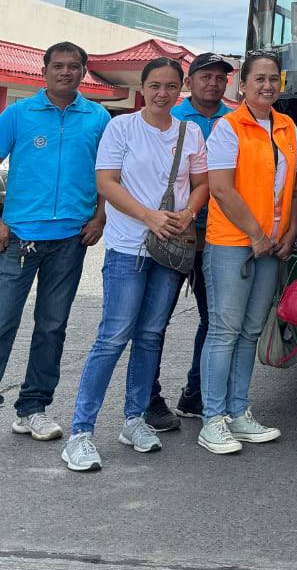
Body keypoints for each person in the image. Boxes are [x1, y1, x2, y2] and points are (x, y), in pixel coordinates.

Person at [62, 58, 209, 472]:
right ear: (143, 87)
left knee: (149, 335)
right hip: (128, 247)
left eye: (171, 86)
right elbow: (106, 182)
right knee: (113, 337)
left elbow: (201, 184)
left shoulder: (190, 131)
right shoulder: (122, 127)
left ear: (181, 89)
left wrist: (187, 213)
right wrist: (149, 216)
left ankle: (134, 420)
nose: (163, 93)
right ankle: (80, 433)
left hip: (171, 249)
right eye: (155, 85)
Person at [0, 42, 111, 441]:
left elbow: (107, 172)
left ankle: (32, 408)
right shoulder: (18, 114)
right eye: (58, 66)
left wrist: (100, 216)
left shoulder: (97, 117)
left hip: (70, 239)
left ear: (84, 72)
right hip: (18, 237)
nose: (66, 72)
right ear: (44, 71)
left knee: (51, 326)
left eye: (74, 66)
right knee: (2, 320)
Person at [197, 50, 297, 454]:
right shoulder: (228, 127)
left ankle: (239, 412)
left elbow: (290, 186)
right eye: (259, 79)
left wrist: (289, 230)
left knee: (250, 331)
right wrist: (257, 235)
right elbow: (221, 188)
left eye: (273, 78)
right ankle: (212, 419)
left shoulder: (286, 126)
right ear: (244, 85)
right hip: (233, 243)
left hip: (272, 245)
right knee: (224, 331)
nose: (267, 85)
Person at [145, 52, 233, 431]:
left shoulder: (234, 121)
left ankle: (196, 393)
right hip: (172, 236)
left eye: (220, 77)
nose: (213, 83)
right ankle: (147, 398)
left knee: (214, 321)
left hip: (219, 236)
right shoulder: (171, 118)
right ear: (190, 81)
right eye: (205, 76)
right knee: (154, 322)